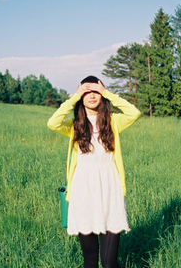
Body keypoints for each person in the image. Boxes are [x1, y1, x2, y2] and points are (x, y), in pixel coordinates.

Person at [47, 76, 141, 268]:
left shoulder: (113, 122)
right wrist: (73, 98)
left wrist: (107, 93)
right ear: (81, 96)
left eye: (96, 92)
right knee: (90, 260)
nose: (91, 95)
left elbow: (134, 113)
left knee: (108, 262)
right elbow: (53, 123)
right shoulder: (75, 126)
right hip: (83, 193)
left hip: (110, 190)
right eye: (86, 92)